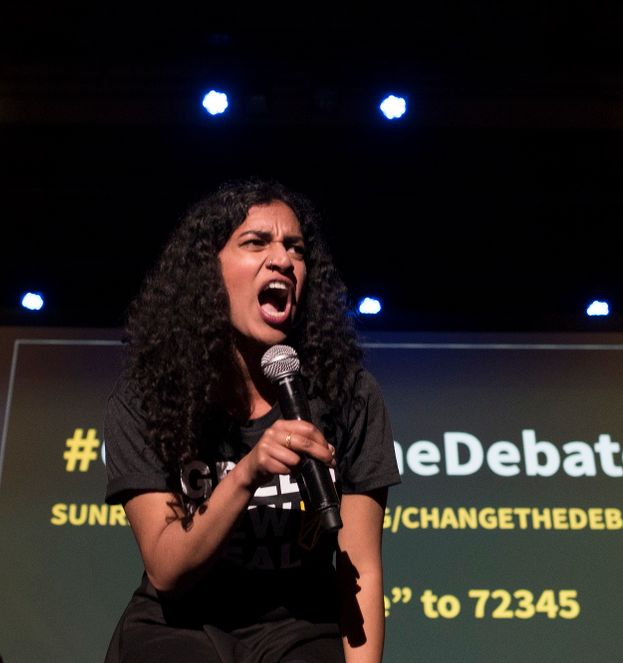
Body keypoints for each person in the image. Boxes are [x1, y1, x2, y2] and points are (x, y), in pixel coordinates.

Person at [103, 177, 400, 663]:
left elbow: (360, 566)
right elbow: (166, 570)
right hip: (180, 624)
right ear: (206, 272)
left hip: (298, 628)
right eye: (255, 242)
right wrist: (246, 473)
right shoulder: (150, 399)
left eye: (296, 249)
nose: (282, 259)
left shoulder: (347, 395)